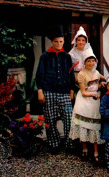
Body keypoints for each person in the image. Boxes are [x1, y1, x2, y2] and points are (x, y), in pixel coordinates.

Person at [35, 25, 75, 155]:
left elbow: (70, 75)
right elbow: (39, 74)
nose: (59, 44)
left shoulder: (67, 57)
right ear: (52, 42)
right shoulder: (45, 56)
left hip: (64, 91)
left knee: (68, 118)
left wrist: (71, 90)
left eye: (61, 41)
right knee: (50, 119)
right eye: (56, 41)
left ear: (64, 41)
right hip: (49, 91)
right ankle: (54, 143)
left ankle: (70, 143)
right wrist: (40, 91)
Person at [69, 50, 105, 163]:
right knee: (83, 125)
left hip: (94, 101)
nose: (91, 63)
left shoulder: (97, 73)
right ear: (84, 63)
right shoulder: (81, 74)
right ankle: (84, 149)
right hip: (84, 101)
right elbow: (84, 92)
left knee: (94, 126)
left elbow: (99, 84)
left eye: (92, 61)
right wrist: (94, 94)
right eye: (88, 61)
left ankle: (95, 152)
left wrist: (102, 84)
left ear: (95, 62)